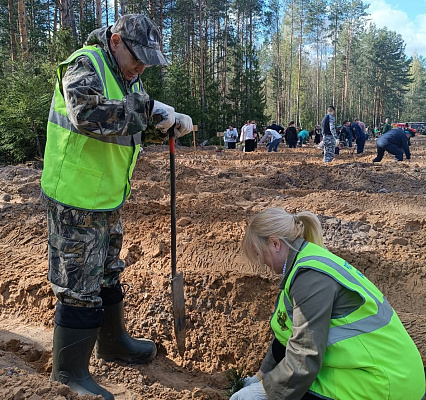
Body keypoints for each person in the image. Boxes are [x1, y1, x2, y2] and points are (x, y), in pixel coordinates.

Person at [40, 14, 193, 400]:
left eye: (148, 59)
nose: (142, 66)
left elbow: (124, 130)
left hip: (106, 199)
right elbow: (89, 115)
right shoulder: (86, 64)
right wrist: (151, 110)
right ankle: (69, 373)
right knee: (78, 286)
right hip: (75, 199)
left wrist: (163, 125)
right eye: (138, 56)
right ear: (116, 40)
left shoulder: (129, 77)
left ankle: (112, 343)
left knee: (107, 272)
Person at [230, 207, 425, 400]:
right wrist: (261, 378)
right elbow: (285, 335)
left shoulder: (310, 279)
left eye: (259, 254)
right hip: (388, 371)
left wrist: (265, 393)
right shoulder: (305, 263)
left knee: (292, 390)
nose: (262, 262)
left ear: (275, 244)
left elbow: (305, 354)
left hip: (386, 384)